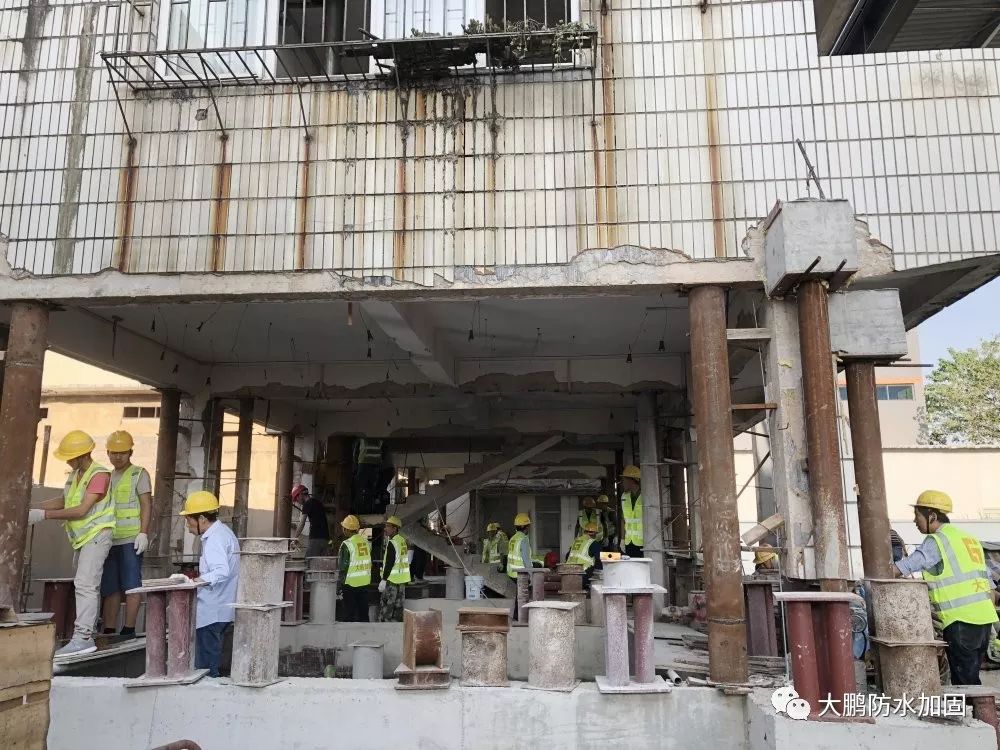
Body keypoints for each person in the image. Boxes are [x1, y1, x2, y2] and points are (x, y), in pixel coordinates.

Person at [893, 490, 998, 686]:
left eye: (917, 516)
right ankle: (977, 705)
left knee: (964, 682)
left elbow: (907, 565)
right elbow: (989, 583)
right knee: (971, 677)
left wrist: (881, 573)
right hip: (984, 621)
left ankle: (975, 707)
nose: (914, 521)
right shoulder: (968, 539)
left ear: (932, 516)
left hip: (961, 622)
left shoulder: (938, 540)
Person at [28, 430, 115, 657]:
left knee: (86, 585)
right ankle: (85, 635)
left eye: (70, 457)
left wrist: (43, 515)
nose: (67, 461)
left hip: (97, 535)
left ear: (83, 455)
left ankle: (83, 638)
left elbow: (81, 509)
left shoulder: (99, 475)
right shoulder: (76, 474)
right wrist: (33, 506)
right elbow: (65, 500)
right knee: (85, 585)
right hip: (85, 538)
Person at [180, 491, 240, 678]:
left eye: (189, 520)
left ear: (202, 519)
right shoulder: (222, 534)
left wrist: (193, 581)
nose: (187, 525)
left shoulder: (215, 539)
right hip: (220, 609)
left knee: (205, 670)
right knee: (210, 662)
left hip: (212, 613)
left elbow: (221, 571)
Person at [99, 430, 151, 640]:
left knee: (131, 585)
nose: (118, 457)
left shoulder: (139, 474)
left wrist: (143, 533)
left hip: (131, 539)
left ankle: (128, 630)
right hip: (109, 539)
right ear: (108, 453)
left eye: (122, 452)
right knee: (110, 586)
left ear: (130, 452)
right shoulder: (106, 477)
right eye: (114, 452)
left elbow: (146, 505)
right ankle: (109, 630)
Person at [377, 515, 410, 622]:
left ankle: (384, 627)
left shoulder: (392, 543)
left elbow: (389, 563)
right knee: (398, 608)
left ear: (394, 528)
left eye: (388, 526)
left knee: (387, 607)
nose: (385, 529)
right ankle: (397, 628)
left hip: (392, 581)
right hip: (402, 580)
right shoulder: (402, 540)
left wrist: (384, 579)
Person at [339, 514, 372, 622]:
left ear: (346, 529)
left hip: (350, 583)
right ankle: (365, 631)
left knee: (349, 614)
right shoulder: (366, 542)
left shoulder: (347, 544)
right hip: (364, 582)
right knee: (363, 613)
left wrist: (339, 585)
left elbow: (343, 567)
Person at [291, 484, 330, 558]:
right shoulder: (318, 502)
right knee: (321, 563)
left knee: (309, 561)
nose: (297, 502)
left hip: (316, 538)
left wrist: (294, 539)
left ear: (300, 495)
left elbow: (302, 523)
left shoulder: (307, 504)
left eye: (296, 499)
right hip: (325, 539)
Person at [507, 513, 534, 620]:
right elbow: (526, 559)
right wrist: (531, 576)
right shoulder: (524, 539)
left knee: (520, 594)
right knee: (523, 595)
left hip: (512, 572)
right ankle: (520, 617)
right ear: (525, 527)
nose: (529, 529)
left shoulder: (513, 538)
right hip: (520, 572)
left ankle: (517, 616)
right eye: (528, 527)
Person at [566, 522, 603, 588]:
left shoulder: (576, 541)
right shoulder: (593, 543)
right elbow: (600, 560)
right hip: (582, 576)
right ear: (595, 533)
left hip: (568, 574)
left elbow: (567, 556)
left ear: (584, 532)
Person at [619, 465, 643, 557]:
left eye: (624, 480)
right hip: (629, 542)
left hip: (643, 542)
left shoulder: (645, 496)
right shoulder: (624, 496)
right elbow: (623, 519)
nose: (623, 483)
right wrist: (622, 540)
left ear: (631, 480)